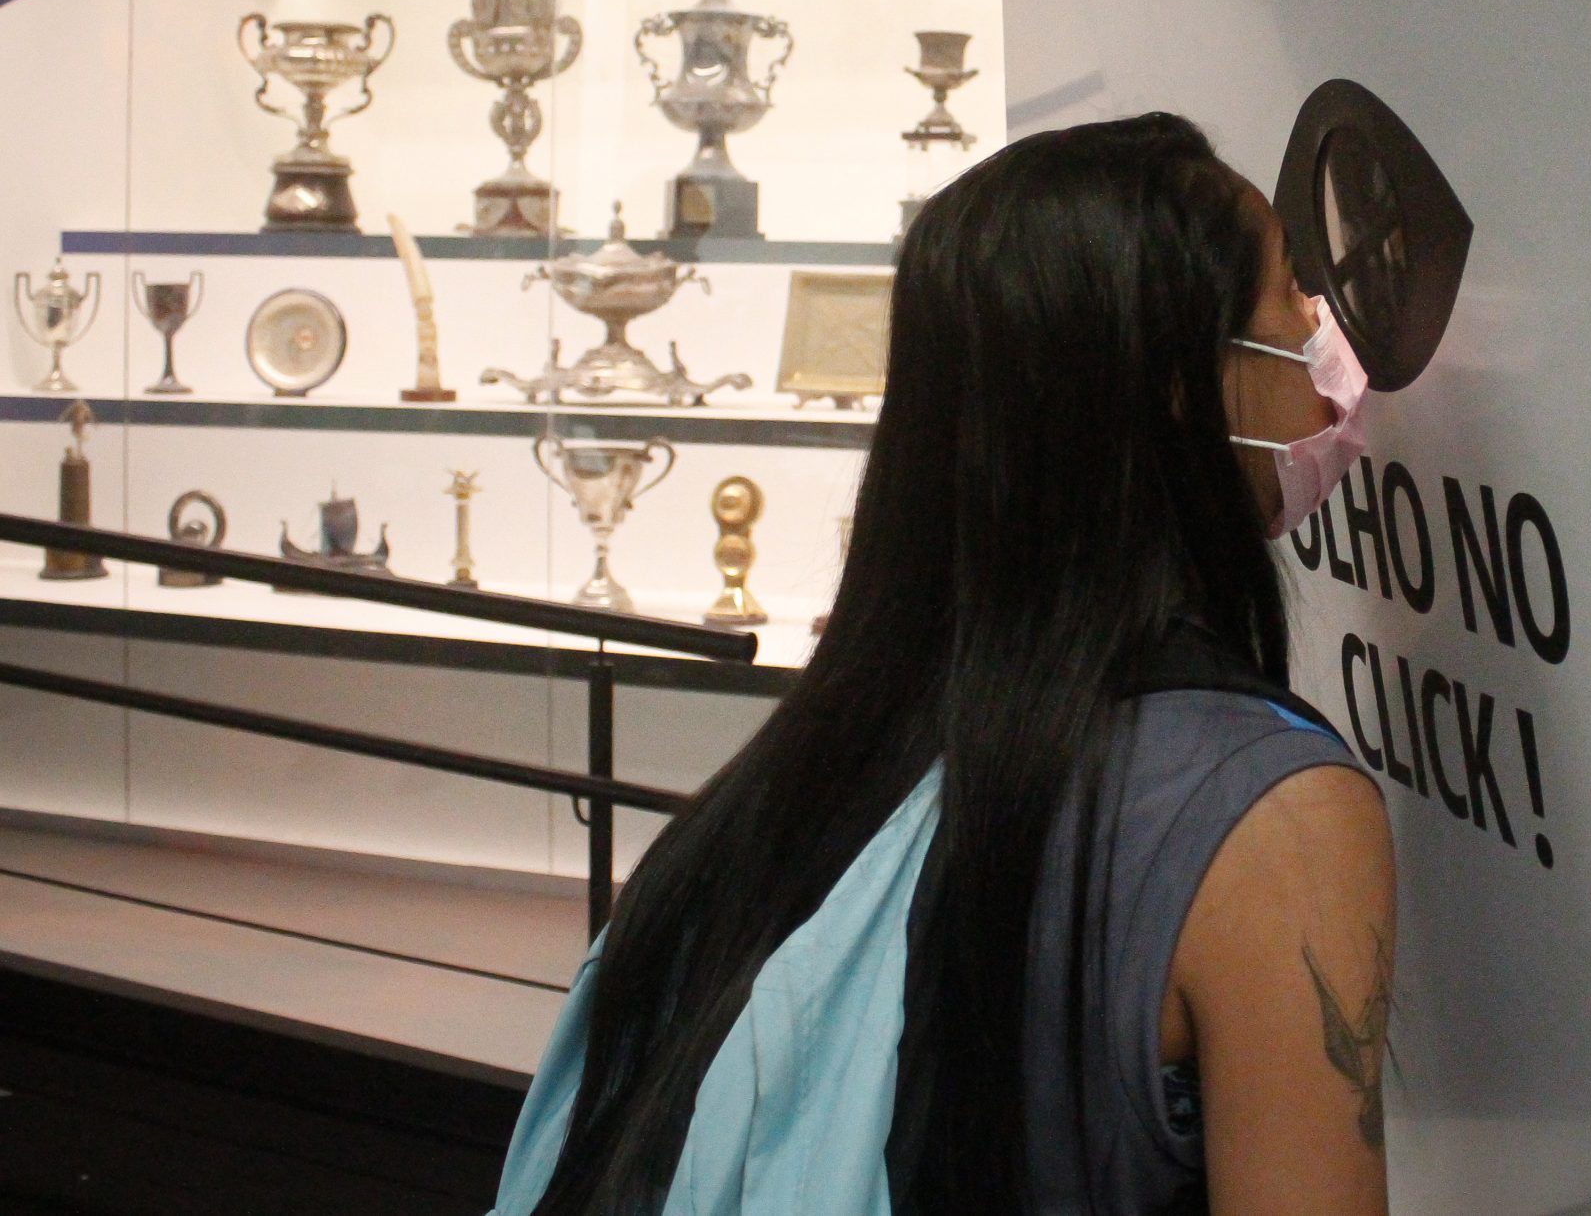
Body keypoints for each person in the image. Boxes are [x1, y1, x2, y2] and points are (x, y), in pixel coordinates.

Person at [494, 113, 1397, 1216]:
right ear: (1178, 380)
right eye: (1291, 288)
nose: (1317, 324)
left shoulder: (804, 769)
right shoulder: (1280, 814)